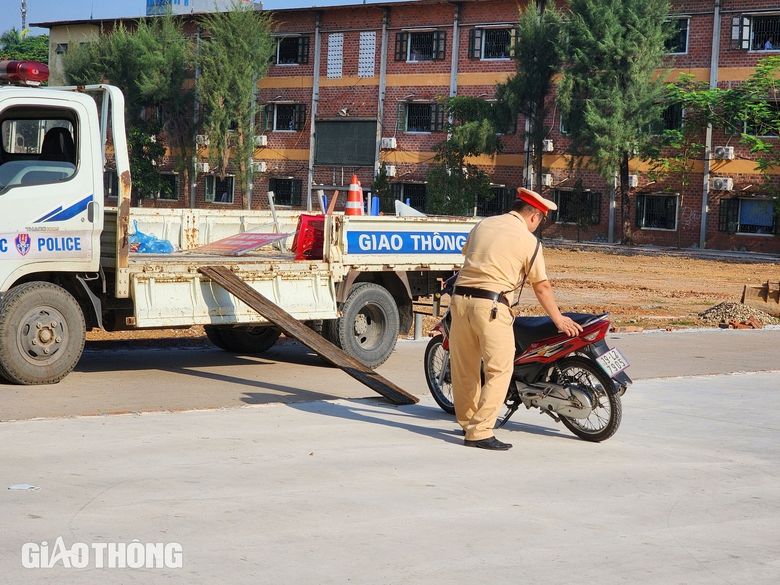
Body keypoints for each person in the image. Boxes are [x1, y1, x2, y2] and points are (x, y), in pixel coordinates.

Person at [449, 188, 583, 451]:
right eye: (539, 221)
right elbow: (541, 285)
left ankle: (468, 423)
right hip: (491, 308)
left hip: (459, 302)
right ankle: (480, 431)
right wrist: (558, 319)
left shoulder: (483, 224)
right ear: (534, 216)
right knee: (499, 369)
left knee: (464, 367)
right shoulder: (528, 240)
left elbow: (469, 258)